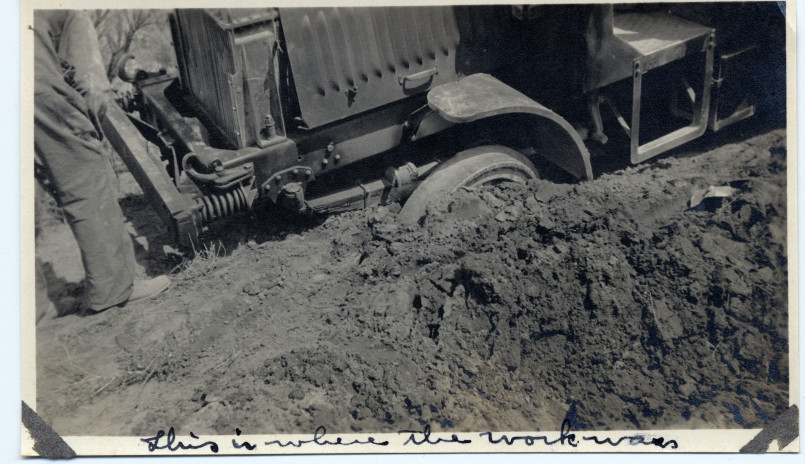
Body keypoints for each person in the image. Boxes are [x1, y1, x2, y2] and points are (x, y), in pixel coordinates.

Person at [34, 10, 169, 315]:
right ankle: (113, 290)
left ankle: (33, 309)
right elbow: (93, 84)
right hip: (32, 84)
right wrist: (91, 132)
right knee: (85, 175)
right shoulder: (69, 10)